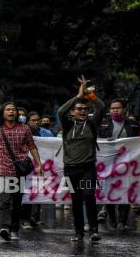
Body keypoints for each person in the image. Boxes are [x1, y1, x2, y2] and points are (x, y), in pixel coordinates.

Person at [57, 75, 105, 243]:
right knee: (76, 200)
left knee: (88, 195)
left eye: (85, 109)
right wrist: (78, 96)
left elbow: (102, 107)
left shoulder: (92, 124)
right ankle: (78, 232)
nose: (83, 111)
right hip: (70, 170)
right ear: (73, 112)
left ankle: (93, 230)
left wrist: (89, 95)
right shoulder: (67, 125)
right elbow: (60, 111)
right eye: (79, 109)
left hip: (87, 169)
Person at [0, 102, 43, 241]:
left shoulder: (25, 128)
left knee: (16, 202)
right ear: (3, 113)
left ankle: (14, 229)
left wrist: (39, 164)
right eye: (8, 109)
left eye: (13, 109)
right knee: (4, 201)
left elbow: (32, 146)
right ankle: (4, 228)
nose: (11, 111)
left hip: (19, 170)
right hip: (2, 169)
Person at [97, 99, 140, 231]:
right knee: (109, 191)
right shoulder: (103, 124)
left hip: (127, 165)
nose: (115, 110)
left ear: (124, 110)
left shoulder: (133, 124)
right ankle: (112, 219)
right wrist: (105, 141)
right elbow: (96, 141)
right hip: (108, 165)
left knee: (125, 192)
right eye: (112, 108)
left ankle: (122, 221)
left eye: (118, 108)